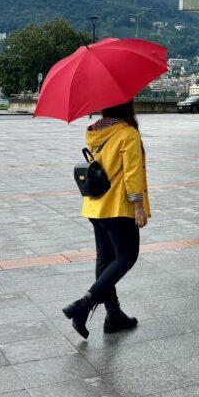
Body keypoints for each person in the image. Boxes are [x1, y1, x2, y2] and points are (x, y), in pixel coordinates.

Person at [62, 100, 149, 338]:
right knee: (126, 257)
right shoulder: (127, 133)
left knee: (105, 260)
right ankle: (83, 305)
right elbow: (132, 174)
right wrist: (138, 207)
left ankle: (113, 315)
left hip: (95, 206)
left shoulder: (95, 131)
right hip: (118, 206)